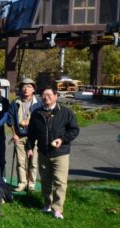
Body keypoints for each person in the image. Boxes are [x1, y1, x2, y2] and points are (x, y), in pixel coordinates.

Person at [26, 87, 79, 220]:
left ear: (55, 96)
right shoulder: (37, 113)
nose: (46, 97)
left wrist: (62, 139)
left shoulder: (65, 112)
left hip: (60, 153)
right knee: (45, 180)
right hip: (43, 153)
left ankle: (57, 209)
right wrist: (29, 147)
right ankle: (47, 204)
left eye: (49, 95)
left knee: (60, 182)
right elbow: (31, 133)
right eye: (43, 95)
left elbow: (74, 130)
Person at [7, 78, 42, 192]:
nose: (26, 89)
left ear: (33, 89)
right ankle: (22, 182)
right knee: (20, 162)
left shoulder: (38, 104)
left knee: (33, 162)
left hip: (34, 137)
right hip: (20, 136)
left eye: (29, 87)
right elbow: (10, 119)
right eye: (24, 86)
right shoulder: (16, 103)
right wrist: (14, 134)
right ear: (21, 89)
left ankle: (31, 183)